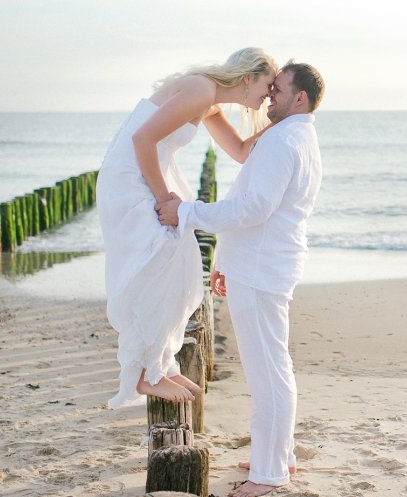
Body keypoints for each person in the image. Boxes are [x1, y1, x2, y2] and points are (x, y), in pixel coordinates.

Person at [156, 61, 324, 497]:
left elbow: (253, 209)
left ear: (300, 97)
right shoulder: (298, 136)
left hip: (263, 269)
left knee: (268, 372)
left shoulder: (285, 141)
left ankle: (269, 475)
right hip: (263, 265)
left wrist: (188, 212)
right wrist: (225, 262)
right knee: (273, 367)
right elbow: (259, 211)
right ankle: (278, 456)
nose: (271, 95)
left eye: (279, 89)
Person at [96, 47, 279, 409]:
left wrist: (286, 119)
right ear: (248, 78)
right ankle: (142, 375)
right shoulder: (201, 90)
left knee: (183, 267)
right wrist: (167, 201)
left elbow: (241, 151)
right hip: (131, 178)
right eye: (268, 85)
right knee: (157, 266)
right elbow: (141, 140)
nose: (269, 94)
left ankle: (161, 364)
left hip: (150, 176)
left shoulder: (209, 101)